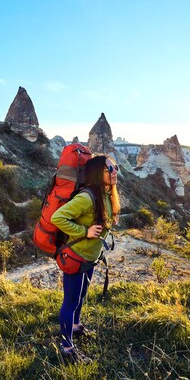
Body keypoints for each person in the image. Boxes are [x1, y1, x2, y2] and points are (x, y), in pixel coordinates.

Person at [50, 154, 121, 363]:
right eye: (110, 169)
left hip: (90, 257)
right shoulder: (87, 197)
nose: (115, 171)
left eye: (115, 167)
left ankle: (74, 326)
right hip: (76, 256)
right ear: (98, 173)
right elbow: (58, 218)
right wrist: (84, 231)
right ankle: (66, 347)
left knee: (80, 297)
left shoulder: (106, 195)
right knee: (70, 302)